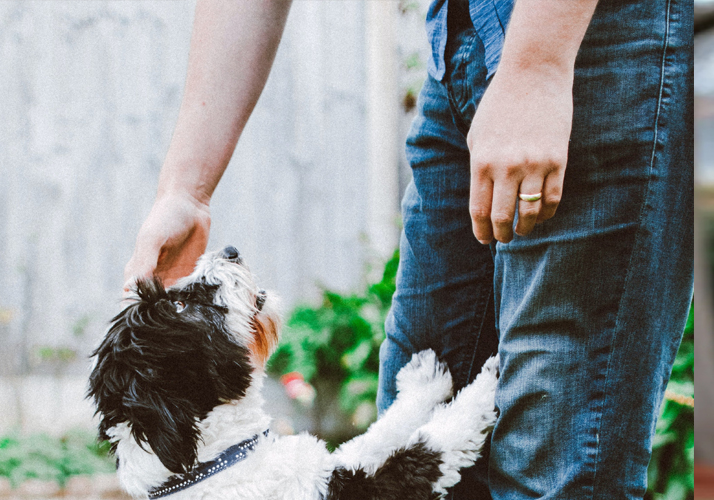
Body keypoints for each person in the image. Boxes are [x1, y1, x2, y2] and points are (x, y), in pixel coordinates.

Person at [122, 0, 693, 498]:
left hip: (590, 34)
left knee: (549, 463)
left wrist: (538, 63)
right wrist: (184, 190)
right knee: (414, 409)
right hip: (458, 37)